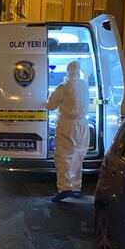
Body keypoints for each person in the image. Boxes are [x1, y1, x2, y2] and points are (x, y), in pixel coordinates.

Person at [47, 60, 90, 202]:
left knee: (64, 156)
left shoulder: (64, 87)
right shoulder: (84, 84)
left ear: (67, 71)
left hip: (67, 124)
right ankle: (76, 187)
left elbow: (51, 105)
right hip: (83, 124)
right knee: (78, 155)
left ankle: (65, 188)